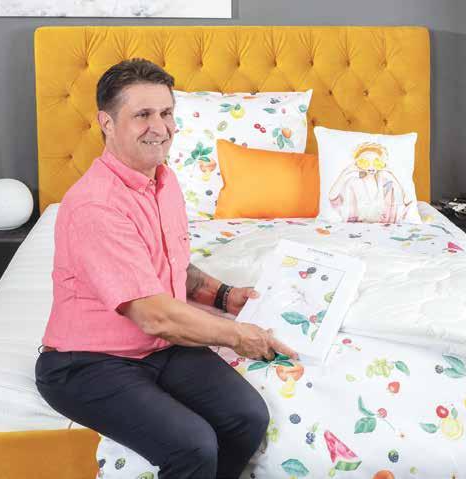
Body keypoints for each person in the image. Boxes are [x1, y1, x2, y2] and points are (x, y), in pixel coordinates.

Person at [35, 58, 297, 479]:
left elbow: (169, 265)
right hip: (87, 363)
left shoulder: (164, 180)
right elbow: (154, 315)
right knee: (193, 445)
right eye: (142, 115)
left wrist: (225, 296)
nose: (160, 127)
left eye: (166, 113)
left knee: (247, 416)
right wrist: (238, 335)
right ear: (106, 123)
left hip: (159, 349)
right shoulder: (95, 205)